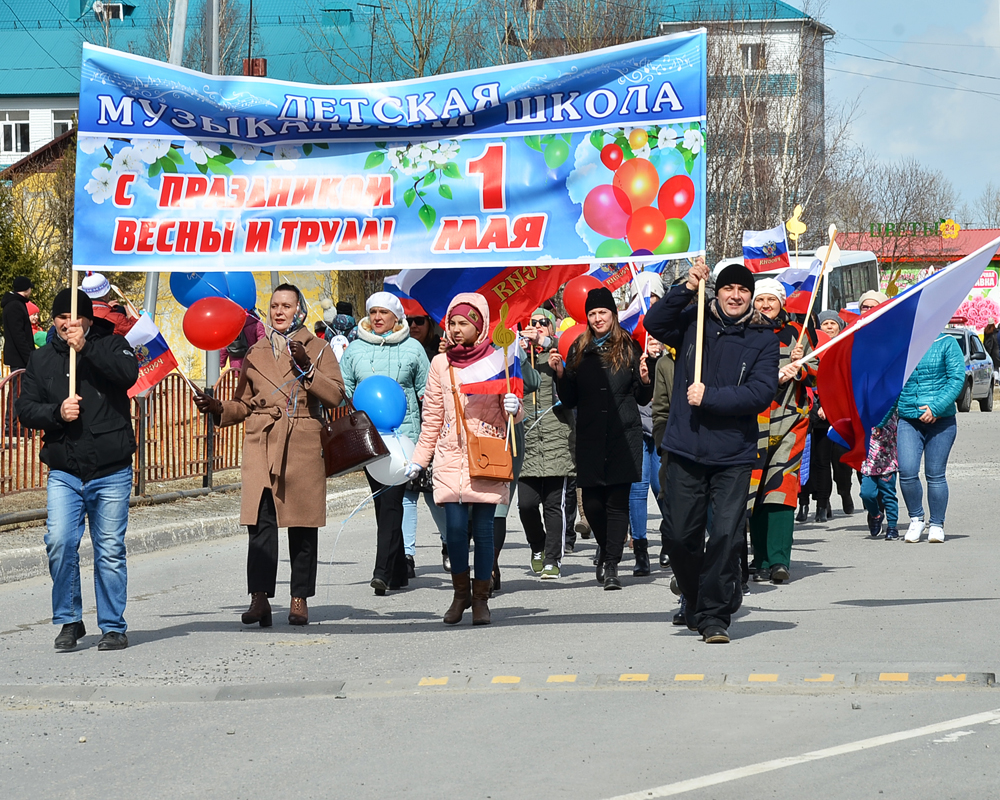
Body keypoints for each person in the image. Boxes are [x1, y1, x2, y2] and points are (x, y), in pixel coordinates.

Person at [193, 284, 345, 627]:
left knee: (302, 526)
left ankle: (299, 598)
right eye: (274, 305)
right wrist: (219, 407)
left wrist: (307, 368)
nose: (279, 311)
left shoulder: (318, 348)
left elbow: (336, 396)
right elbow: (243, 403)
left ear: (300, 310)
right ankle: (259, 598)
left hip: (301, 442)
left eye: (286, 306)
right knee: (260, 524)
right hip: (262, 441)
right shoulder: (255, 351)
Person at [644, 259, 779, 643]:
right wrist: (687, 287)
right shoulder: (693, 321)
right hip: (685, 447)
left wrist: (711, 397)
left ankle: (715, 616)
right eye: (728, 289)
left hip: (733, 454)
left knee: (724, 535)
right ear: (717, 291)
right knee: (679, 536)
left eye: (743, 291)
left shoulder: (764, 338)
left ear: (750, 297)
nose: (735, 296)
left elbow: (761, 392)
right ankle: (694, 595)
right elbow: (655, 324)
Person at [16, 288, 139, 651]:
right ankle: (70, 620)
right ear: (54, 320)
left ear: (88, 319)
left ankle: (113, 626)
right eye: (61, 318)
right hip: (65, 471)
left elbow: (127, 374)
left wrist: (86, 347)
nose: (68, 324)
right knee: (60, 542)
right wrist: (56, 413)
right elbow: (25, 408)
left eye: (76, 317)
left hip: (111, 469)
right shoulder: (41, 360)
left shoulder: (113, 345)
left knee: (109, 549)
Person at [408, 293, 522, 626]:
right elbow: (431, 417)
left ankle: (481, 599)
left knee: (484, 530)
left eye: (464, 323)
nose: (457, 330)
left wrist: (514, 408)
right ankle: (460, 596)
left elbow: (510, 416)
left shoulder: (497, 360)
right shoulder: (440, 365)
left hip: (488, 453)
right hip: (449, 457)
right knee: (455, 531)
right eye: (453, 323)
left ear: (480, 325)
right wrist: (419, 460)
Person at [549, 287, 652, 591]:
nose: (597, 318)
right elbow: (569, 400)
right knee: (593, 504)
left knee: (617, 503)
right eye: (592, 314)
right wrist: (560, 375)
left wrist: (646, 379)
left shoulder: (629, 348)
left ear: (613, 314)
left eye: (602, 313)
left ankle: (611, 565)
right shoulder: (579, 349)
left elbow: (642, 397)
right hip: (591, 435)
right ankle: (608, 549)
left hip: (624, 434)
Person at [339, 291, 429, 594]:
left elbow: (426, 392)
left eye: (384, 313)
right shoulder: (354, 350)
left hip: (403, 439)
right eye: (373, 312)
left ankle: (382, 571)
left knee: (391, 501)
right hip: (368, 438)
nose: (378, 318)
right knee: (382, 502)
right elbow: (344, 389)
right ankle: (400, 569)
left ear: (396, 317)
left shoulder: (414, 348)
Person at [746, 279, 813, 586]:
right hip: (752, 423)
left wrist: (801, 366)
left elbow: (817, 370)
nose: (765, 305)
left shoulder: (796, 334)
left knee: (781, 490)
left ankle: (779, 561)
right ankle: (758, 558)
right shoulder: (743, 333)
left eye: (771, 300)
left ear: (781, 303)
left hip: (789, 422)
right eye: (760, 300)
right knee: (755, 491)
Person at [519, 308, 577, 580]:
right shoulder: (519, 355)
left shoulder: (560, 352)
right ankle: (538, 546)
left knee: (555, 505)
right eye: (532, 323)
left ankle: (553, 558)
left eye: (544, 323)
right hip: (527, 439)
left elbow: (575, 347)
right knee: (527, 504)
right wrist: (517, 352)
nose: (537, 327)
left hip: (557, 438)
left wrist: (550, 350)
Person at [896, 331, 965, 543]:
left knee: (935, 474)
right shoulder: (902, 344)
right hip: (908, 418)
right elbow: (891, 384)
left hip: (941, 420)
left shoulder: (947, 343)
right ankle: (916, 518)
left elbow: (956, 378)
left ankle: (937, 523)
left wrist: (936, 408)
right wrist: (879, 422)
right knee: (907, 471)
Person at [806, 310, 854, 522]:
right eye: (824, 323)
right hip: (818, 413)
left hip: (841, 412)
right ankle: (822, 505)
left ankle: (844, 491)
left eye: (832, 323)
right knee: (821, 460)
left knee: (841, 460)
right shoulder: (812, 346)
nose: (828, 326)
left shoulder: (845, 347)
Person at [2, 276, 35, 440]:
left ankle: (15, 423)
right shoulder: (15, 306)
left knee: (18, 390)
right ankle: (12, 424)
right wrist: (29, 357)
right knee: (17, 390)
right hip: (19, 357)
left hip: (19, 355)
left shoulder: (15, 304)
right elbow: (18, 336)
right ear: (26, 289)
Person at [861, 410, 899, 541]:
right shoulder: (864, 412)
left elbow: (889, 433)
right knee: (866, 493)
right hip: (868, 464)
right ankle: (876, 515)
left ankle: (892, 527)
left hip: (886, 463)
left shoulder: (890, 415)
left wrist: (879, 427)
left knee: (888, 496)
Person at [80, 272, 137, 336]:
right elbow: (137, 335)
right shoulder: (117, 318)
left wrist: (107, 308)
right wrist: (134, 318)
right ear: (106, 293)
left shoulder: (76, 314)